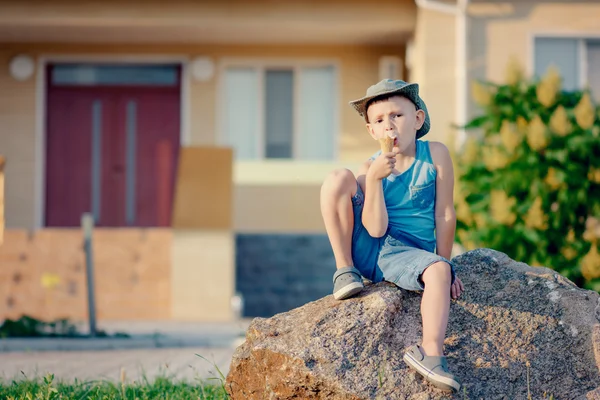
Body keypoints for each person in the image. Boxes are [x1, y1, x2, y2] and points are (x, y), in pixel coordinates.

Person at [320, 79, 465, 392]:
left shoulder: (435, 155)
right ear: (372, 131)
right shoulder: (369, 167)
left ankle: (430, 353)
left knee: (439, 271)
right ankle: (345, 270)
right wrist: (372, 181)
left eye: (397, 116)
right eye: (380, 120)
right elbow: (374, 229)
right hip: (372, 246)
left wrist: (444, 262)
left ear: (417, 119)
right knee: (337, 179)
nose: (390, 126)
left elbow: (444, 214)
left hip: (408, 254)